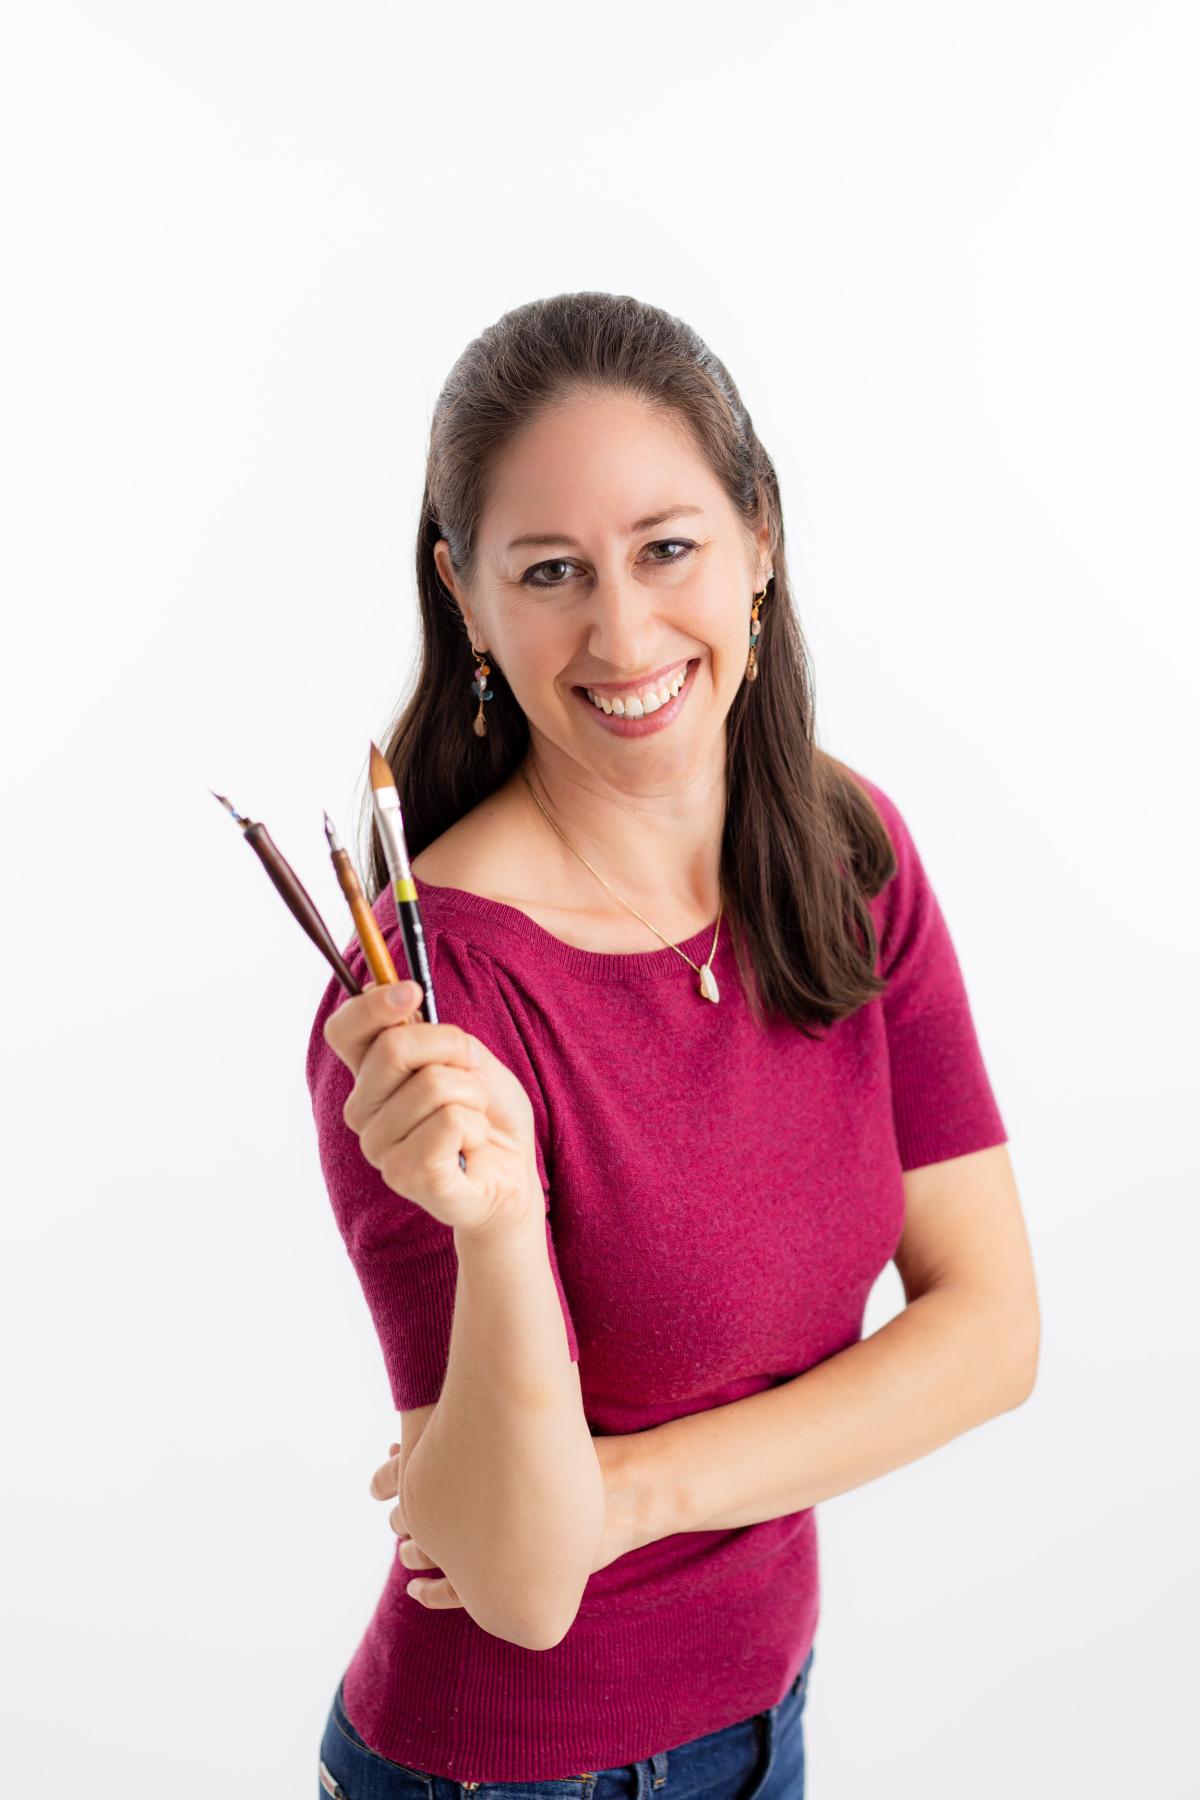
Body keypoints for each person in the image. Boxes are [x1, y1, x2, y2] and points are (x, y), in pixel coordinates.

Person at [306, 290, 1040, 1799]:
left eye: (669, 547)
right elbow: (518, 1584)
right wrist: (502, 1229)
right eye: (554, 571)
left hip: (769, 1717)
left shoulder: (847, 855)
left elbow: (992, 1332)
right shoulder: (426, 1006)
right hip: (513, 1771)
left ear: (759, 540)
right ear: (468, 600)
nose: (625, 631)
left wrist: (626, 1491)